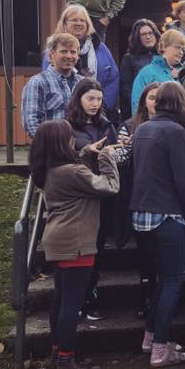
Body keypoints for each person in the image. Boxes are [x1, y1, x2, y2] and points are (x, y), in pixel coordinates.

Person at [29, 120, 119, 369]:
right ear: (61, 143)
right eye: (70, 138)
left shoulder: (50, 170)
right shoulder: (72, 172)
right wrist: (105, 158)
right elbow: (110, 187)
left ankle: (58, 354)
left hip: (59, 240)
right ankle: (67, 362)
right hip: (77, 242)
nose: (74, 142)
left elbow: (74, 171)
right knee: (72, 305)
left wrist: (85, 154)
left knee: (60, 301)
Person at [129, 82, 185, 368]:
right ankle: (161, 349)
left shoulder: (143, 129)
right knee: (173, 280)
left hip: (140, 214)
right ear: (181, 103)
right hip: (167, 214)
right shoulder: (175, 131)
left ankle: (150, 337)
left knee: (161, 279)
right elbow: (183, 179)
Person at [66, 78, 118, 319]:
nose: (95, 104)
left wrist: (116, 151)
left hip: (103, 192)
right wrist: (84, 153)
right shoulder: (67, 126)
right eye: (90, 99)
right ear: (79, 99)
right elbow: (63, 160)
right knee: (81, 247)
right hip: (79, 194)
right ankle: (77, 298)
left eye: (99, 99)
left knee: (97, 246)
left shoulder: (107, 125)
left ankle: (92, 294)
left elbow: (116, 155)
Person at [42, 5, 119, 121]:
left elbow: (113, 77)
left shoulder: (100, 47)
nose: (78, 23)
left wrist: (101, 105)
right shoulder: (53, 47)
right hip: (64, 115)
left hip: (97, 113)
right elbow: (48, 80)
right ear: (64, 24)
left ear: (88, 24)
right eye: (74, 20)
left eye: (82, 20)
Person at [22, 33, 81, 138]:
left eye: (73, 52)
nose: (69, 56)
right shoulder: (38, 82)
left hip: (81, 149)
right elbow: (31, 123)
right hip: (51, 149)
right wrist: (51, 145)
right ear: (51, 54)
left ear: (78, 55)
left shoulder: (83, 83)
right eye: (63, 51)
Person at [131, 30, 185, 113]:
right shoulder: (147, 72)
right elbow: (137, 104)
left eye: (183, 49)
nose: (181, 52)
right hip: (152, 123)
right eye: (178, 47)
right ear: (164, 46)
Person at [120, 19, 161, 118]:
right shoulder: (129, 58)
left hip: (163, 106)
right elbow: (125, 89)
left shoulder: (163, 56)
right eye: (143, 34)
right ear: (137, 38)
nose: (148, 37)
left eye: (150, 33)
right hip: (140, 109)